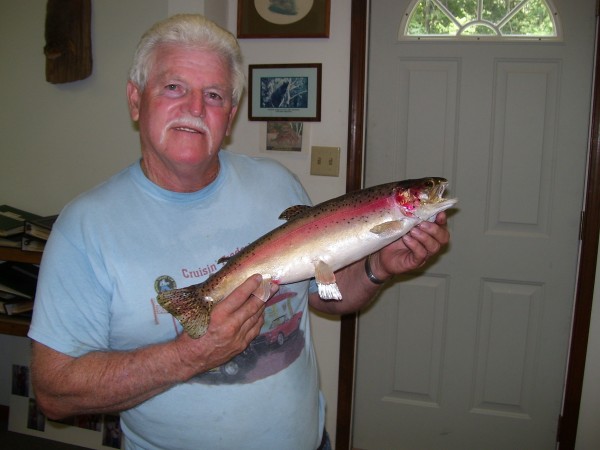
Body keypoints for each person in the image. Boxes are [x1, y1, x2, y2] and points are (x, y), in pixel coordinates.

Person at [28, 14, 450, 450]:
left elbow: (325, 295)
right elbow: (54, 392)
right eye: (174, 88)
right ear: (135, 100)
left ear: (228, 116)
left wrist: (378, 266)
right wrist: (189, 356)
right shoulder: (84, 227)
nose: (195, 108)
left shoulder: (277, 184)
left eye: (213, 95)